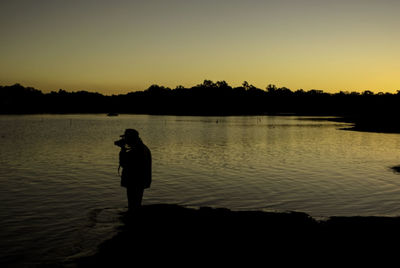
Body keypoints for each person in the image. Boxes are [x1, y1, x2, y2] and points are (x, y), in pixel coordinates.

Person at [116, 129, 152, 212]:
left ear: (131, 138)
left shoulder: (137, 150)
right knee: (135, 204)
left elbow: (124, 163)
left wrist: (122, 149)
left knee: (133, 204)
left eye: (126, 138)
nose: (125, 140)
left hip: (135, 181)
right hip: (140, 180)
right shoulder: (141, 147)